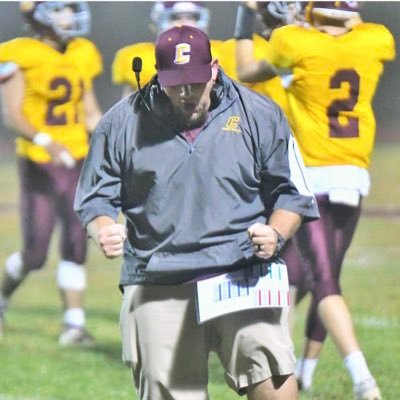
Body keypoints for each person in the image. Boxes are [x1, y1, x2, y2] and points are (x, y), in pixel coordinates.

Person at [75, 24, 319, 400]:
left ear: (215, 69)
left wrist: (276, 233)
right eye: (176, 83)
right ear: (157, 75)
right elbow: (95, 197)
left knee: (276, 385)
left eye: (195, 81)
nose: (186, 93)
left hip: (243, 273)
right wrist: (103, 227)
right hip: (158, 278)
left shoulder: (260, 113)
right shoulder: (120, 123)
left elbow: (293, 192)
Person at [234, 2, 395, 399]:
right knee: (323, 277)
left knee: (324, 282)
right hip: (355, 174)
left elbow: (247, 70)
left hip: (313, 176)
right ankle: (303, 370)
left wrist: (246, 14)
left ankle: (363, 380)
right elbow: (350, 23)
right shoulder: (377, 39)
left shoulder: (295, 41)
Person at [0, 1, 103, 345]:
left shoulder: (82, 52)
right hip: (39, 160)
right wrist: (47, 142)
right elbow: (12, 113)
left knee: (76, 240)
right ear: (38, 14)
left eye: (72, 9)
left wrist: (112, 138)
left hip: (77, 158)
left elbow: (89, 112)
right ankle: (1, 298)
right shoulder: (20, 52)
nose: (69, 17)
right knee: (36, 252)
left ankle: (74, 324)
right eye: (61, 9)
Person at [112, 1, 224, 98]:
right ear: (156, 22)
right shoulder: (141, 56)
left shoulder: (221, 53)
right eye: (175, 17)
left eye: (191, 17)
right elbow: (129, 110)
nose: (184, 24)